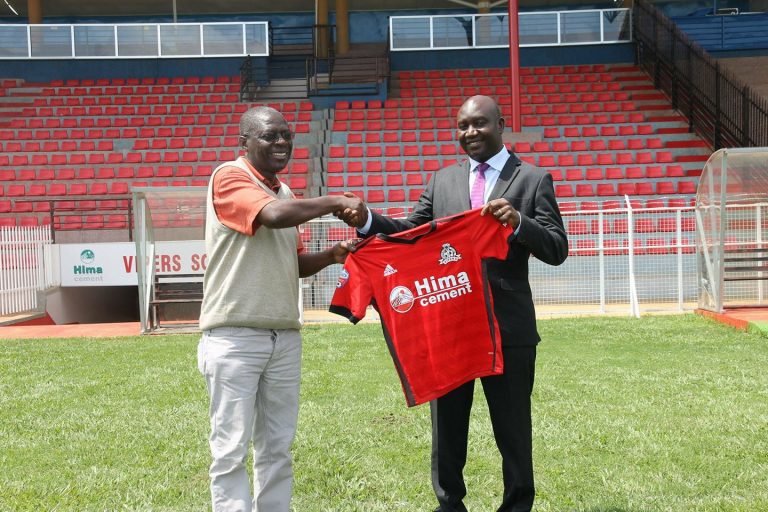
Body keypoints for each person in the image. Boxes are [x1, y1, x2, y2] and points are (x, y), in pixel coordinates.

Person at [337, 95, 568, 512]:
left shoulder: (532, 178)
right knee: (447, 427)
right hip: (450, 326)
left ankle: (517, 506)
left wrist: (518, 223)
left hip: (508, 329)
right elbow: (411, 231)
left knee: (513, 429)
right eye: (462, 126)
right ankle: (449, 505)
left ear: (501, 124)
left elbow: (556, 248)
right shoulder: (442, 180)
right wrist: (369, 220)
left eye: (479, 124)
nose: (469, 133)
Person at [197, 106, 364, 512]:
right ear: (245, 143)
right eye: (270, 136)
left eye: (286, 135)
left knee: (277, 446)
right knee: (231, 448)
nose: (282, 142)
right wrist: (334, 201)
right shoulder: (229, 175)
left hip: (284, 336)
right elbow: (271, 217)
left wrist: (333, 255)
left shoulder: (285, 192)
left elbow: (294, 261)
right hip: (234, 335)